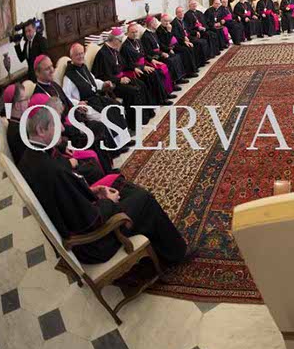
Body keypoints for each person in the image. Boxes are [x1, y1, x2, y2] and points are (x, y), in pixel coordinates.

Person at [18, 102, 188, 265]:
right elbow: (90, 220)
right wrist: (108, 201)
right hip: (94, 243)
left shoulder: (29, 157)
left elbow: (67, 199)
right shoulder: (53, 171)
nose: (63, 129)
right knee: (145, 199)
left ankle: (158, 243)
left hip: (82, 218)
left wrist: (93, 191)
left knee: (122, 186)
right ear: (41, 130)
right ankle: (176, 254)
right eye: (56, 125)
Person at [63, 43, 131, 148]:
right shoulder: (69, 76)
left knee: (117, 107)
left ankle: (124, 139)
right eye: (77, 54)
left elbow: (92, 82)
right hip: (86, 105)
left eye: (82, 53)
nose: (80, 56)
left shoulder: (83, 67)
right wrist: (78, 103)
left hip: (96, 98)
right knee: (105, 115)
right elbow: (65, 96)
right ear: (71, 57)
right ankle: (116, 145)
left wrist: (104, 84)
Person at [92, 28, 153, 127]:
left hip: (122, 78)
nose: (121, 43)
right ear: (115, 40)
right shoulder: (103, 54)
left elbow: (124, 64)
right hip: (113, 84)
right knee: (133, 91)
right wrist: (119, 80)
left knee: (141, 84)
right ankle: (134, 123)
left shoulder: (114, 50)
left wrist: (134, 68)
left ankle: (146, 114)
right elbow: (102, 76)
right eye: (120, 41)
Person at [121, 23, 172, 105]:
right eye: (132, 32)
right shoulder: (125, 47)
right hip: (136, 69)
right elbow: (127, 63)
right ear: (127, 33)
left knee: (159, 72)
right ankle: (159, 100)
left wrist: (151, 60)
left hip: (144, 64)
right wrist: (142, 67)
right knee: (153, 74)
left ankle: (164, 95)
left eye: (136, 32)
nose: (135, 34)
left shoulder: (138, 41)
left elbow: (144, 55)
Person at [142, 16, 187, 86]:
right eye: (155, 22)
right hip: (155, 56)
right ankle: (173, 83)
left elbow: (160, 44)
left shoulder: (153, 32)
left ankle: (179, 78)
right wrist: (161, 53)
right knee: (170, 61)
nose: (157, 23)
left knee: (176, 56)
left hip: (160, 52)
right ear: (151, 24)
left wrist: (168, 49)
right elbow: (149, 51)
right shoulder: (145, 36)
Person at [156, 14, 198, 78]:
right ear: (161, 21)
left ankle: (193, 69)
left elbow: (176, 35)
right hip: (168, 47)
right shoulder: (159, 30)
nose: (167, 23)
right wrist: (169, 31)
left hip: (175, 44)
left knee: (188, 48)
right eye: (165, 21)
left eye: (168, 21)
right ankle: (188, 73)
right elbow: (166, 42)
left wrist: (184, 41)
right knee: (185, 51)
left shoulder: (170, 26)